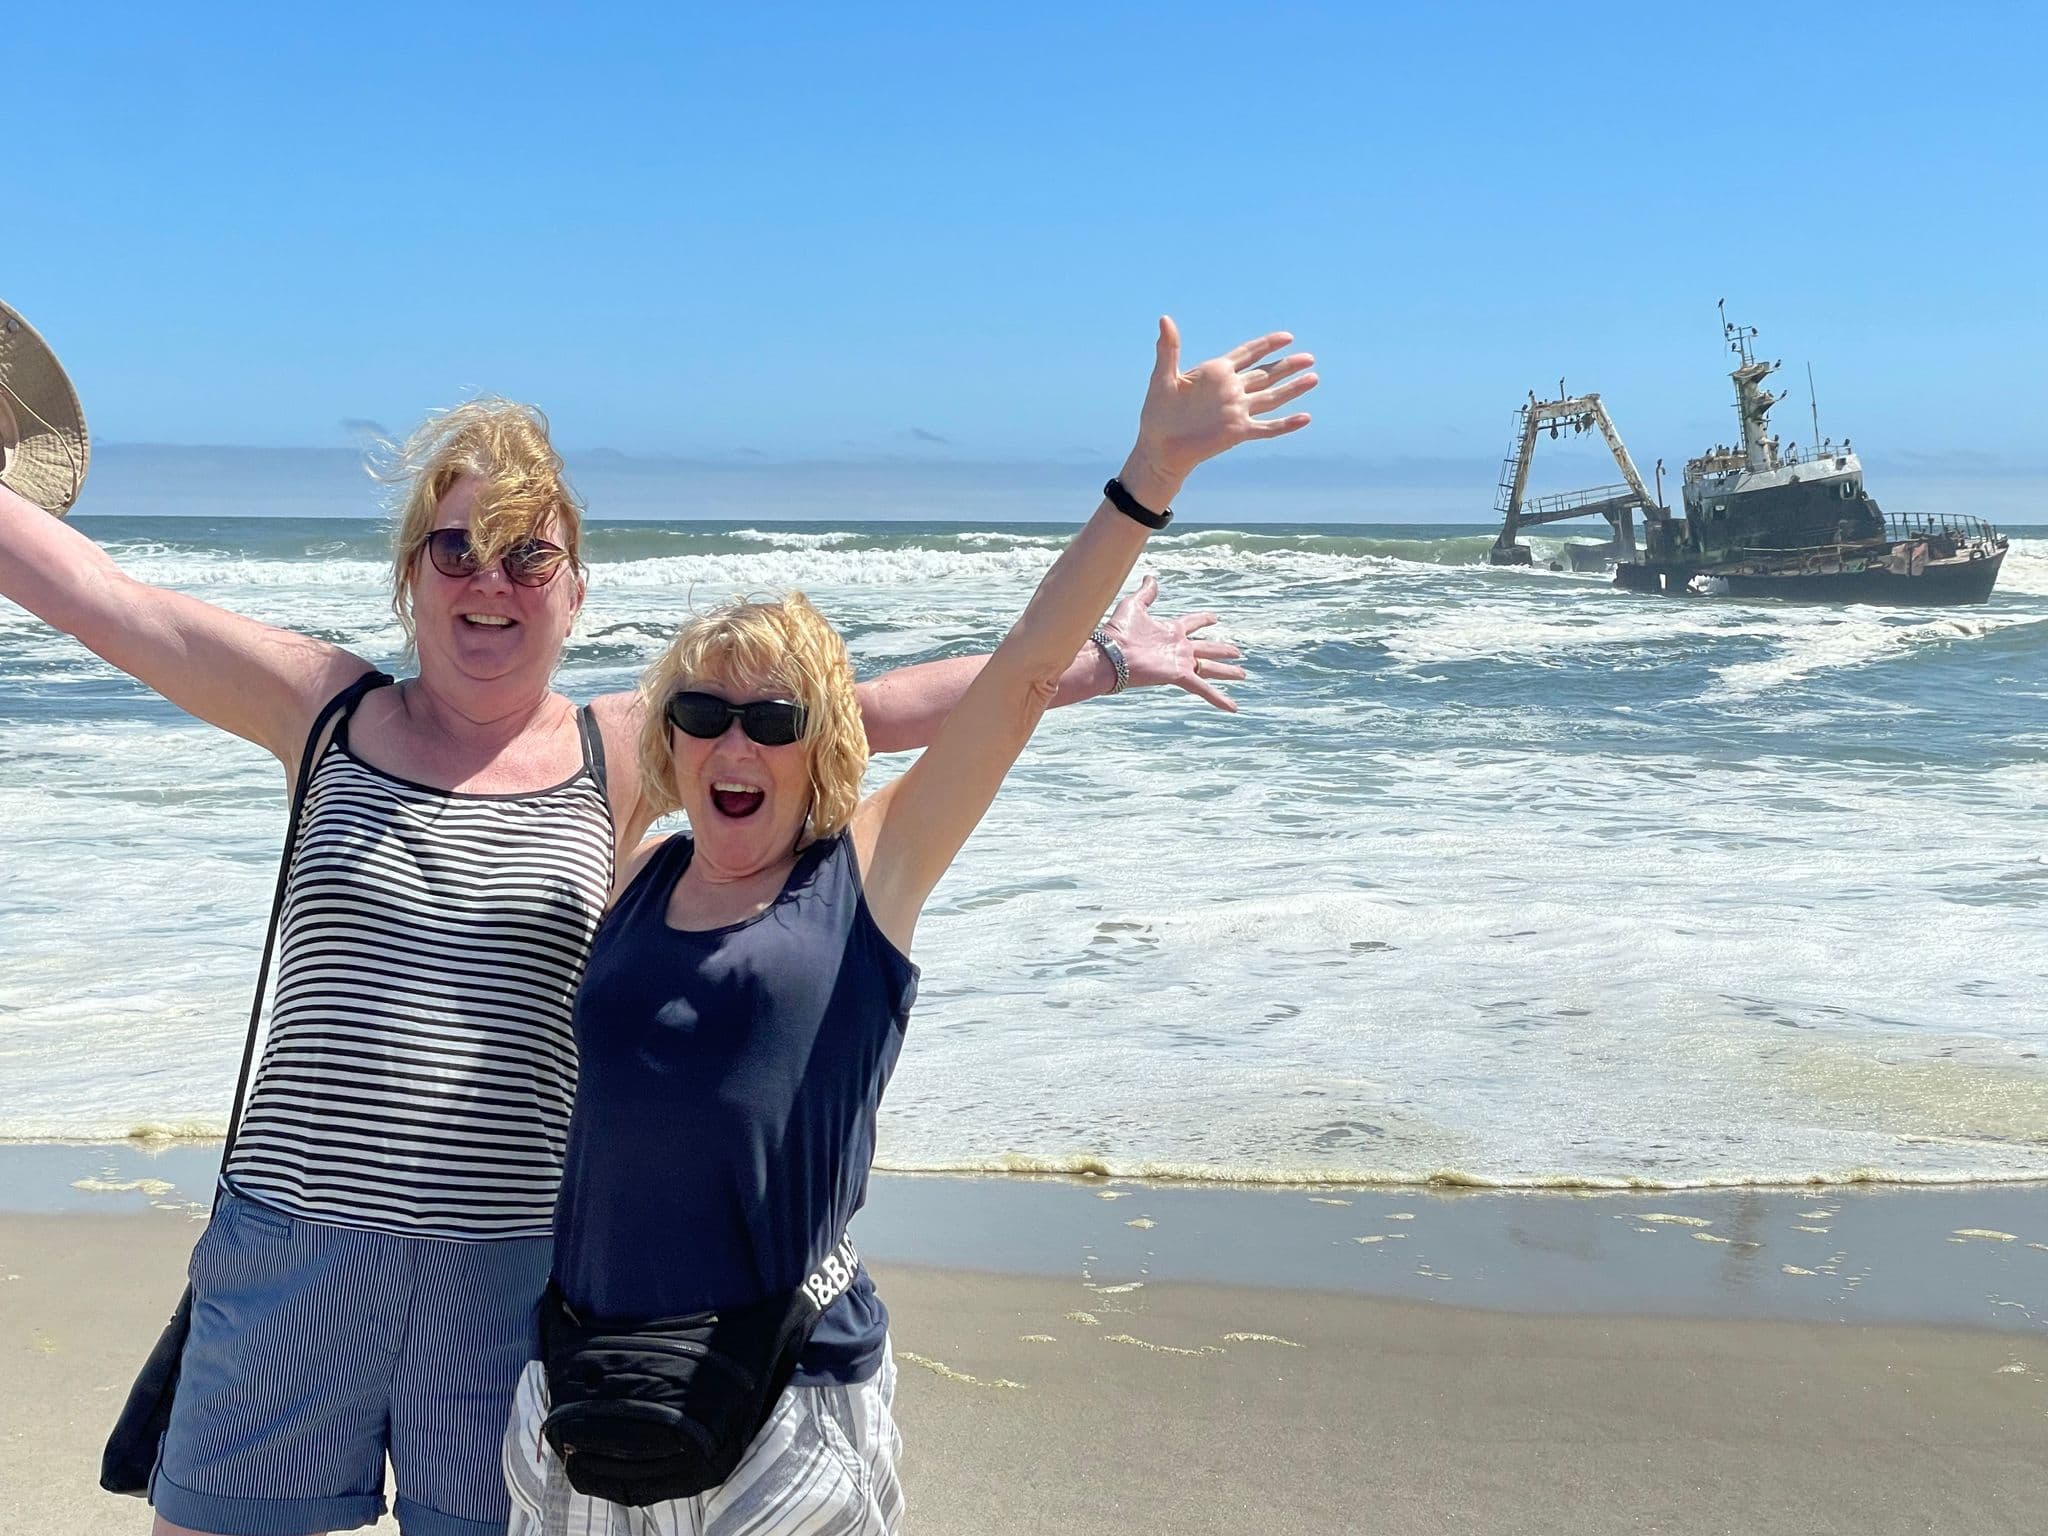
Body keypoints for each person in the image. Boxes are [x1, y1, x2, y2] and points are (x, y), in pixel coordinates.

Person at [0, 392, 1247, 1536]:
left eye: (527, 555)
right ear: (410, 579)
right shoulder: (322, 709)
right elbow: (98, 596)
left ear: (573, 588)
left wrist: (1103, 666)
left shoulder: (627, 749)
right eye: (455, 550)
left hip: (509, 1280)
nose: (490, 581)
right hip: (293, 1252)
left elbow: (870, 709)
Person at [505, 318, 1314, 1534]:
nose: (735, 743)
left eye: (773, 722)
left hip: (783, 1401)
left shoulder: (865, 873)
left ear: (821, 748)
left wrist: (1148, 476)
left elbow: (1013, 681)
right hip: (581, 1394)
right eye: (706, 712)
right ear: (668, 735)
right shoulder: (628, 871)